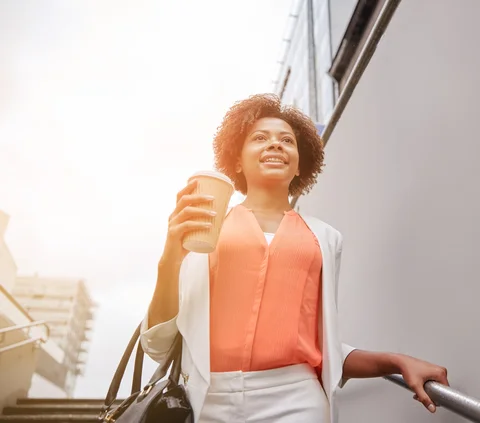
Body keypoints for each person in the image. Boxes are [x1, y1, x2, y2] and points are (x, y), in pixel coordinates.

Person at [141, 94, 449, 423]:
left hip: (297, 402)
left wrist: (395, 361)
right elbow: (159, 342)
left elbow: (322, 347)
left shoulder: (326, 239)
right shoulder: (205, 230)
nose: (275, 145)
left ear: (300, 162)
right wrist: (171, 253)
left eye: (286, 140)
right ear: (237, 160)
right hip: (207, 401)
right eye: (259, 138)